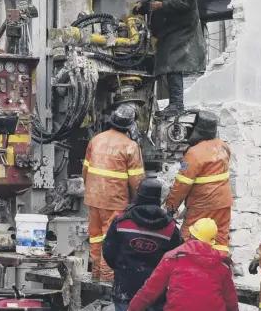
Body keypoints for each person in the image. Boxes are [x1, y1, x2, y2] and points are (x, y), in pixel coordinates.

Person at [132, 0, 206, 117]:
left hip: (183, 26)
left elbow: (188, 0)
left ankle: (177, 104)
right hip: (167, 25)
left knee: (173, 62)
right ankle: (158, 102)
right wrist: (142, 4)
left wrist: (162, 5)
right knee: (161, 62)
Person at [83, 104, 146, 282]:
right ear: (130, 125)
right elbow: (137, 182)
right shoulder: (131, 146)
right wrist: (138, 203)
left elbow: (85, 171)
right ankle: (106, 282)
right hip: (115, 201)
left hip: (93, 198)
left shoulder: (96, 140)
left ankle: (95, 275)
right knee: (110, 241)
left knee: (95, 239)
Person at [103, 177, 183, 311]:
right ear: (158, 199)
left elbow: (108, 251)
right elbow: (176, 260)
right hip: (156, 293)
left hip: (125, 288)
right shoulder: (170, 228)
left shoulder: (121, 222)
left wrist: (122, 269)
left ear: (138, 196)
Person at [128, 218, 239, 311]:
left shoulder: (173, 257)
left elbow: (150, 290)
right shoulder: (222, 263)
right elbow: (230, 299)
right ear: (212, 241)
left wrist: (132, 309)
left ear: (191, 235)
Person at [164, 110, 233, 253]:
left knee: (188, 237)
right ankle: (220, 268)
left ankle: (186, 270)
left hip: (202, 204)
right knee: (220, 239)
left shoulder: (194, 153)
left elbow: (181, 185)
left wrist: (171, 208)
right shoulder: (223, 147)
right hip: (224, 203)